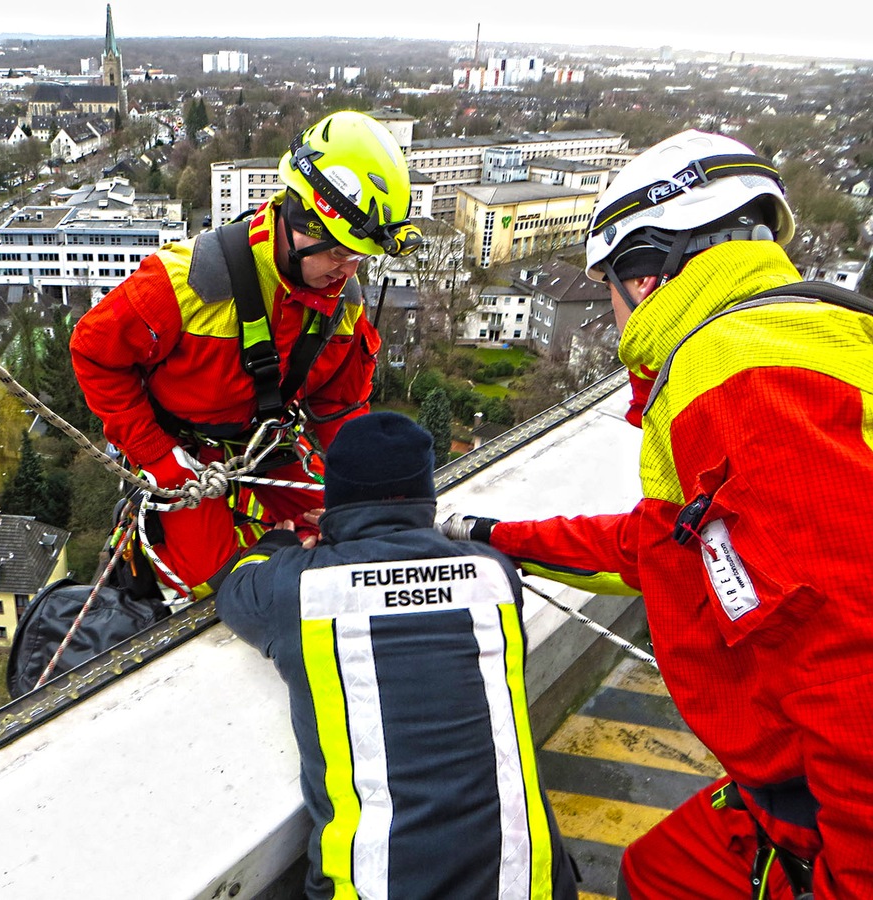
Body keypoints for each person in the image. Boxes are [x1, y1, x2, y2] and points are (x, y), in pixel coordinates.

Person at [443, 130, 873, 899]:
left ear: (644, 275)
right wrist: (493, 536)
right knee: (657, 868)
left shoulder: (742, 378)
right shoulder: (821, 333)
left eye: (609, 281)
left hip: (832, 814)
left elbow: (853, 667)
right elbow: (666, 548)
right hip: (795, 786)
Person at [217, 412, 579, 900]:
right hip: (533, 882)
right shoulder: (493, 574)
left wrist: (280, 542)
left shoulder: (296, 587)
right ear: (426, 495)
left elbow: (237, 585)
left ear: (336, 496)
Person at [71, 110, 421, 599]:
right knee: (214, 584)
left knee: (347, 533)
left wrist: (359, 490)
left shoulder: (343, 303)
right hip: (181, 452)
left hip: (267, 442)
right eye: (339, 252)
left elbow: (341, 407)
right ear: (302, 220)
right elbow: (94, 352)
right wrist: (155, 454)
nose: (345, 270)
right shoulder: (190, 282)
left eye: (358, 257)